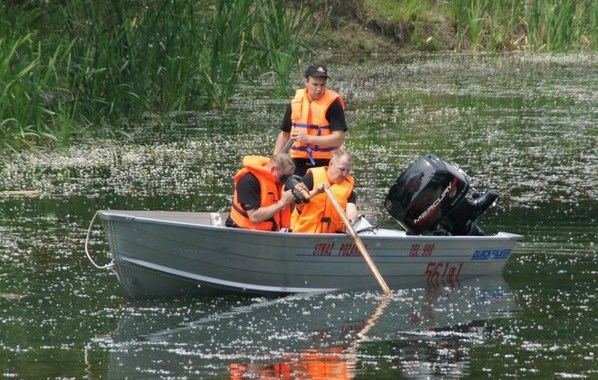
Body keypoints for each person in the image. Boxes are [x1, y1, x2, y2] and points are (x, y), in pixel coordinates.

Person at [274, 64, 348, 176]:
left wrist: (309, 138)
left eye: (322, 85)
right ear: (306, 82)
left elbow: (338, 139)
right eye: (315, 84)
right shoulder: (296, 101)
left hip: (326, 163)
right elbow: (285, 134)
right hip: (297, 163)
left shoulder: (333, 103)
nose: (319, 89)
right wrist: (274, 160)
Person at [291, 150, 357, 233]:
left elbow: (351, 207)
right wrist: (315, 192)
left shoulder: (347, 184)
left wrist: (351, 219)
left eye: (348, 171)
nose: (344, 174)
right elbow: (297, 202)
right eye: (342, 169)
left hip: (332, 236)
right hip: (304, 232)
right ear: (330, 164)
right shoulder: (311, 177)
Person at [226, 153, 297, 231]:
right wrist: (282, 203)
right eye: (284, 177)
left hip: (272, 233)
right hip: (245, 232)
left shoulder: (278, 183)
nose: (285, 181)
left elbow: (285, 214)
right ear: (273, 169)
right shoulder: (249, 180)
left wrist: (294, 198)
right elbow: (254, 217)